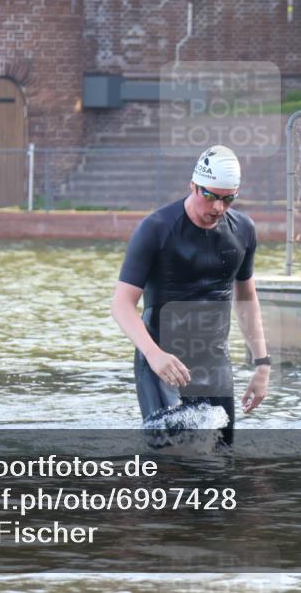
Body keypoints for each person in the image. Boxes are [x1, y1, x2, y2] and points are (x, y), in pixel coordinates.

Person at [111, 146, 271, 444]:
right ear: (192, 186)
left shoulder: (243, 230)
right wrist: (154, 355)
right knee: (169, 459)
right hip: (162, 360)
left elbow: (247, 299)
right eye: (209, 196)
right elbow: (121, 304)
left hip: (214, 362)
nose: (218, 207)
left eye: (228, 198)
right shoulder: (156, 228)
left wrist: (262, 364)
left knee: (220, 462)